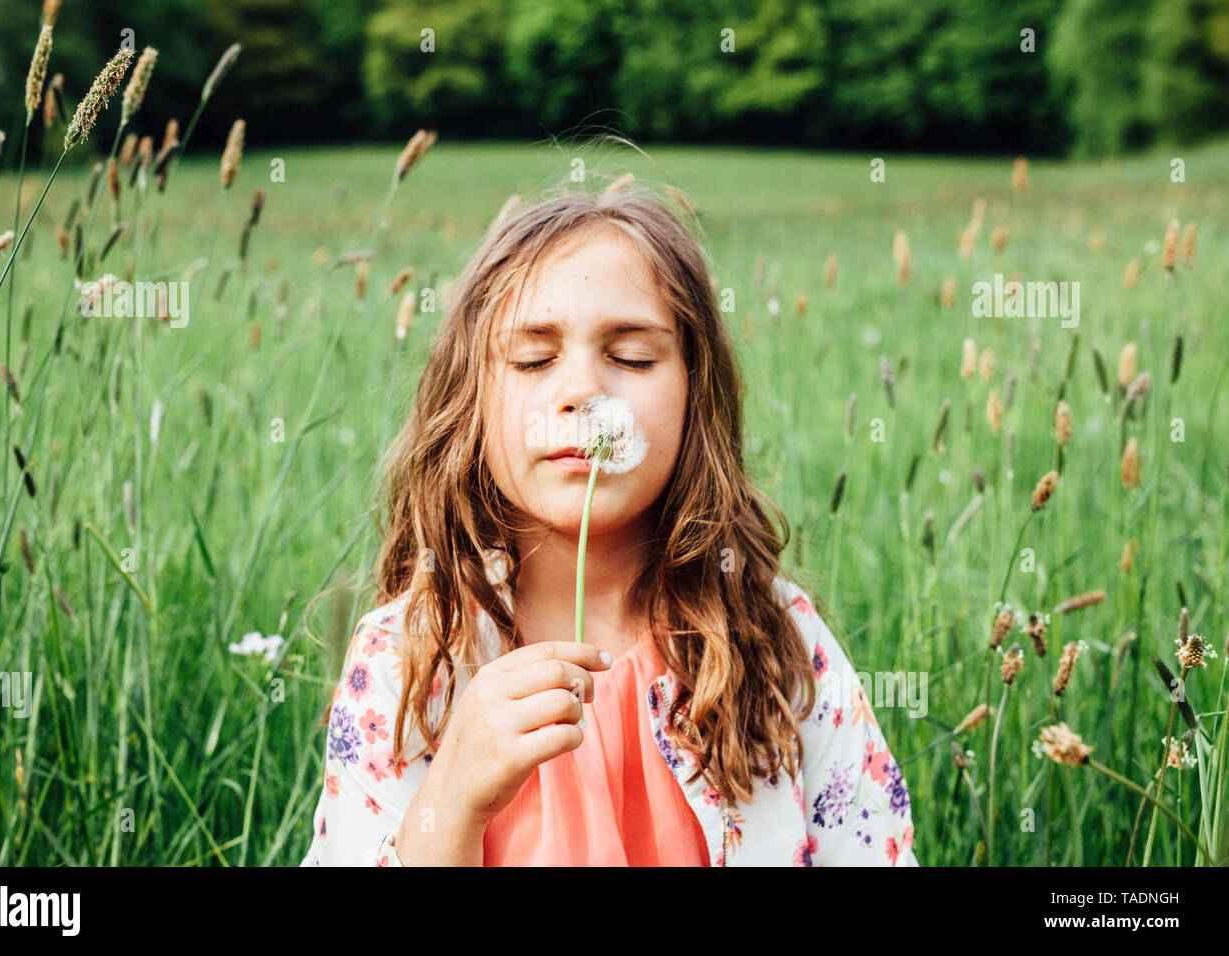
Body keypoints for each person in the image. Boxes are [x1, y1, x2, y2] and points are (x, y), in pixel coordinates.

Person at [301, 183, 918, 867]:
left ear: (694, 392)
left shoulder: (776, 640)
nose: (583, 392)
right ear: (471, 401)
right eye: (534, 359)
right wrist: (450, 802)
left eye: (630, 358)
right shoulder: (411, 657)